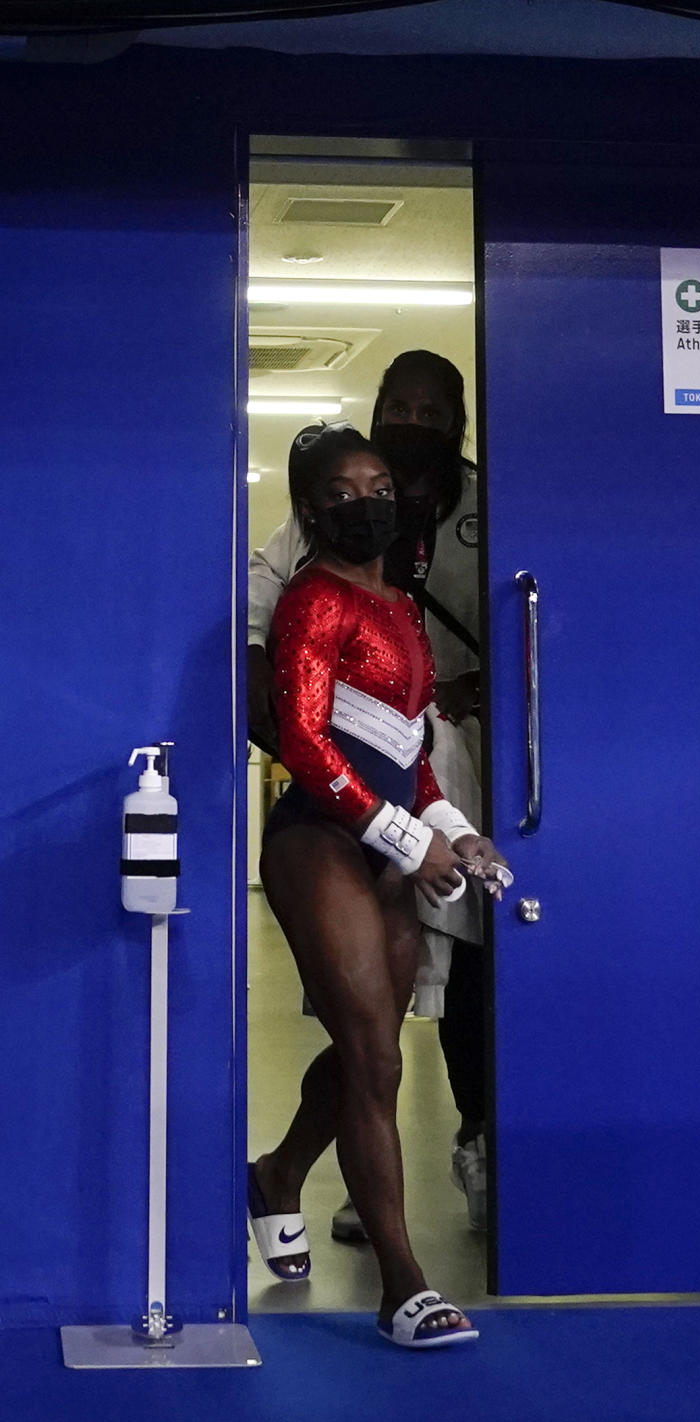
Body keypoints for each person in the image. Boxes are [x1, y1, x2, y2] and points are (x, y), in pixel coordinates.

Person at [247, 423, 509, 1349]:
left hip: (386, 844)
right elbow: (310, 748)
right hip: (319, 839)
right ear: (312, 509)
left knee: (371, 1049)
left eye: (381, 484)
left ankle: (277, 1175)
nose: (370, 501)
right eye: (347, 489)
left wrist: (458, 833)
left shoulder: (400, 605)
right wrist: (403, 838)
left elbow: (415, 754)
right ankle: (403, 1283)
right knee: (378, 1059)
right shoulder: (312, 603)